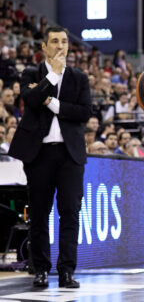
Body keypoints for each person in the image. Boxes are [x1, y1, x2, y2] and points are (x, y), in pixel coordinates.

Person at [8, 26, 90, 288]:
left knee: (70, 214)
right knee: (40, 214)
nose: (60, 46)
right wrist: (52, 76)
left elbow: (84, 112)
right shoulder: (31, 73)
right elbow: (31, 99)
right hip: (39, 153)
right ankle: (40, 269)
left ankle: (67, 271)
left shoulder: (79, 78)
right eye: (54, 41)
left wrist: (51, 102)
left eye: (64, 41)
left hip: (70, 154)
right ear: (44, 47)